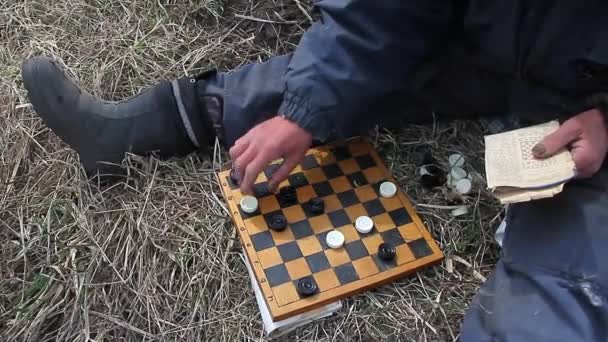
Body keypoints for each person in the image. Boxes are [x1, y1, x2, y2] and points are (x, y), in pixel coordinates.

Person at [20, 1, 608, 340]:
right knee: (326, 83)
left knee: (563, 295)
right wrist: (304, 110)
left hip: (592, 106)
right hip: (485, 50)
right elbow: (380, 14)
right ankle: (128, 131)